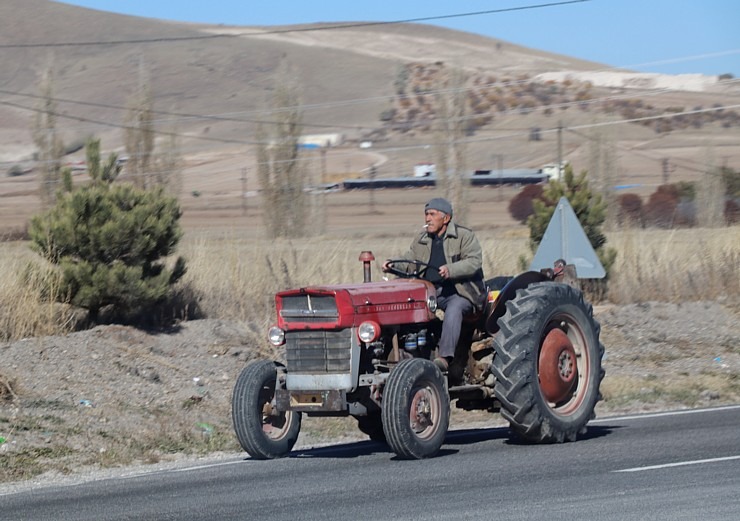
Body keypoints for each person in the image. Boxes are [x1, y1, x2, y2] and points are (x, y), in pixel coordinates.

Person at [383, 197, 486, 374]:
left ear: (446, 218)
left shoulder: (463, 236)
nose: (427, 219)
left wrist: (451, 270)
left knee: (455, 308)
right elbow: (410, 262)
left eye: (432, 214)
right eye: (426, 214)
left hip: (460, 292)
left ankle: (445, 359)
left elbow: (474, 262)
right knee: (404, 304)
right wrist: (393, 265)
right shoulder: (422, 240)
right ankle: (403, 351)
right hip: (430, 293)